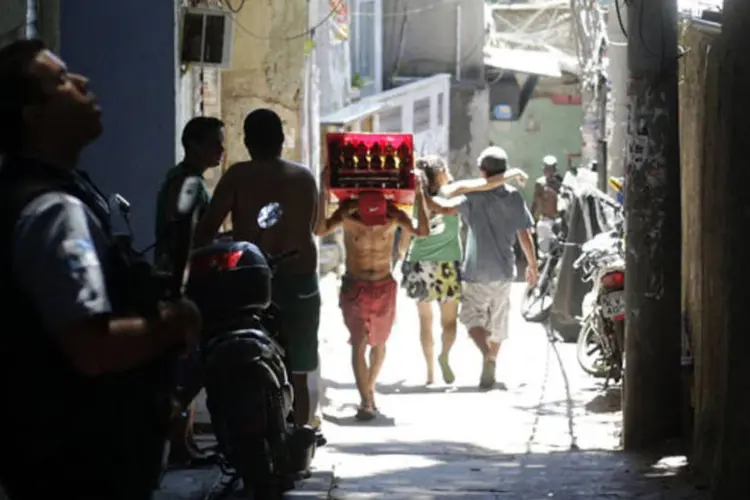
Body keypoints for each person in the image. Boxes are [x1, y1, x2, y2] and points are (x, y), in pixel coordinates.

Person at [0, 40, 201, 499]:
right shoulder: (52, 210)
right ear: (33, 114)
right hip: (77, 471)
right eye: (63, 81)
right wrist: (174, 323)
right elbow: (91, 346)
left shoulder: (30, 193)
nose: (84, 84)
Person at [193, 108, 320, 427]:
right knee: (299, 374)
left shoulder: (237, 176)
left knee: (242, 364)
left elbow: (205, 231)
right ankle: (300, 445)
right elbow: (311, 226)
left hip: (251, 284)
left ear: (247, 142)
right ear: (281, 140)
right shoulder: (304, 176)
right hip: (301, 281)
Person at [397, 155, 527, 386]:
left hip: (419, 262)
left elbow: (404, 241)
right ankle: (445, 355)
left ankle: (429, 374)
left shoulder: (413, 198)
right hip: (447, 264)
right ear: (441, 173)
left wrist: (402, 257)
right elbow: (488, 183)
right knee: (449, 323)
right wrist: (514, 172)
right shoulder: (452, 191)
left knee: (425, 321)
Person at [316, 167, 429, 420]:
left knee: (379, 342)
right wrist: (323, 193)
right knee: (359, 341)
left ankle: (370, 390)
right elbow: (319, 230)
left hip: (383, 285)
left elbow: (423, 231)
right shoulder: (346, 213)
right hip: (355, 286)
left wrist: (420, 195)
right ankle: (365, 400)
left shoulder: (394, 214)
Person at [154, 116, 224, 467]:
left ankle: (184, 444)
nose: (221, 150)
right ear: (193, 145)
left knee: (191, 368)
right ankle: (177, 445)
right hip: (183, 282)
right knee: (189, 369)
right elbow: (183, 236)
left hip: (186, 277)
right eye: (214, 143)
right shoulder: (186, 184)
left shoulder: (190, 181)